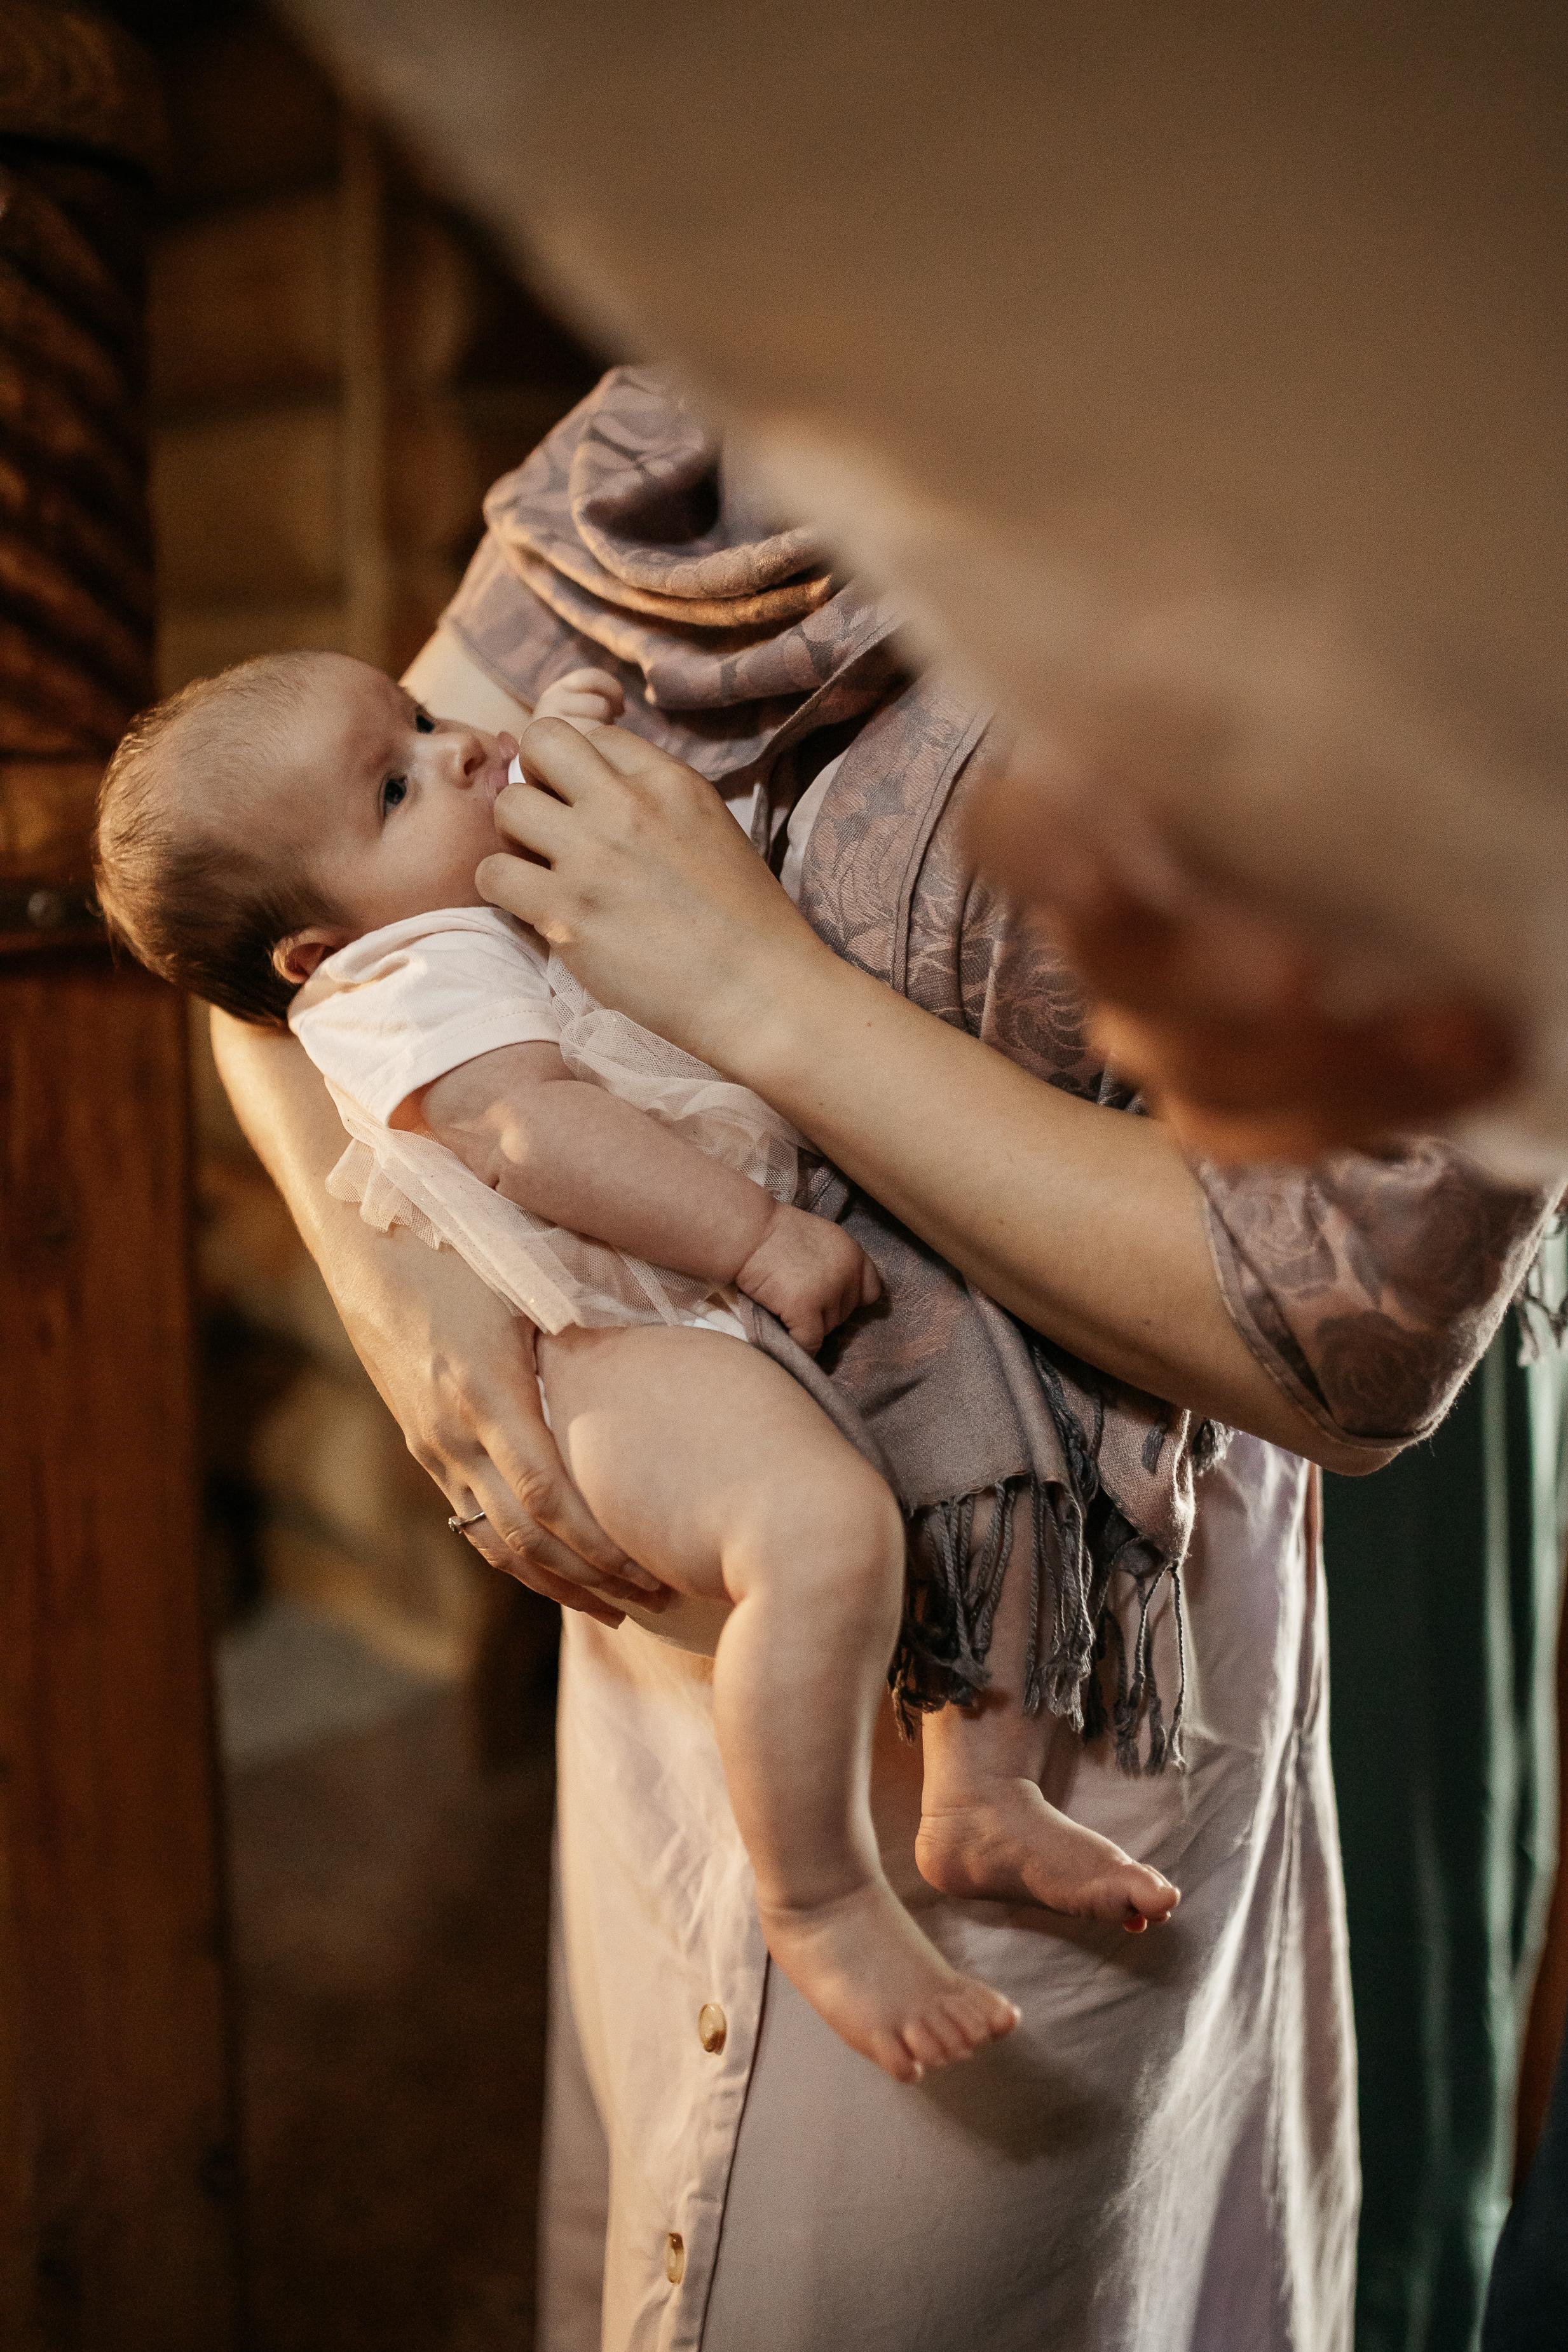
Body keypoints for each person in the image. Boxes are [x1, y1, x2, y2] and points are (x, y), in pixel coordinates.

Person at [212, 373, 1558, 2349]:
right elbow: (263, 959)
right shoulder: (695, 409)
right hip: (666, 1682)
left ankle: (884, 1867)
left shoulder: (1398, 440)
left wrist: (755, 986)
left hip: (1058, 1634)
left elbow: (1340, 1336)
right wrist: (426, 1303)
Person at [93, 649, 1195, 2084]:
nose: (458, 754)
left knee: (986, 1425)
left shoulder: (449, 880)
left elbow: (507, 800)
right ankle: (818, 1895)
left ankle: (978, 1793)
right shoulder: (397, 980)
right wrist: (753, 1240)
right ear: (316, 951)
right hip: (621, 1334)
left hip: (715, 1280)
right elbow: (539, 1133)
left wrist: (547, 738)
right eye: (393, 781)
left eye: (424, 720)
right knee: (818, 1530)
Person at [288, 0, 1568, 1165]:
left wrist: (751, 997)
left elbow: (1330, 1328)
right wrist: (438, 1275)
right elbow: (275, 917)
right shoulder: (654, 432)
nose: (449, 748)